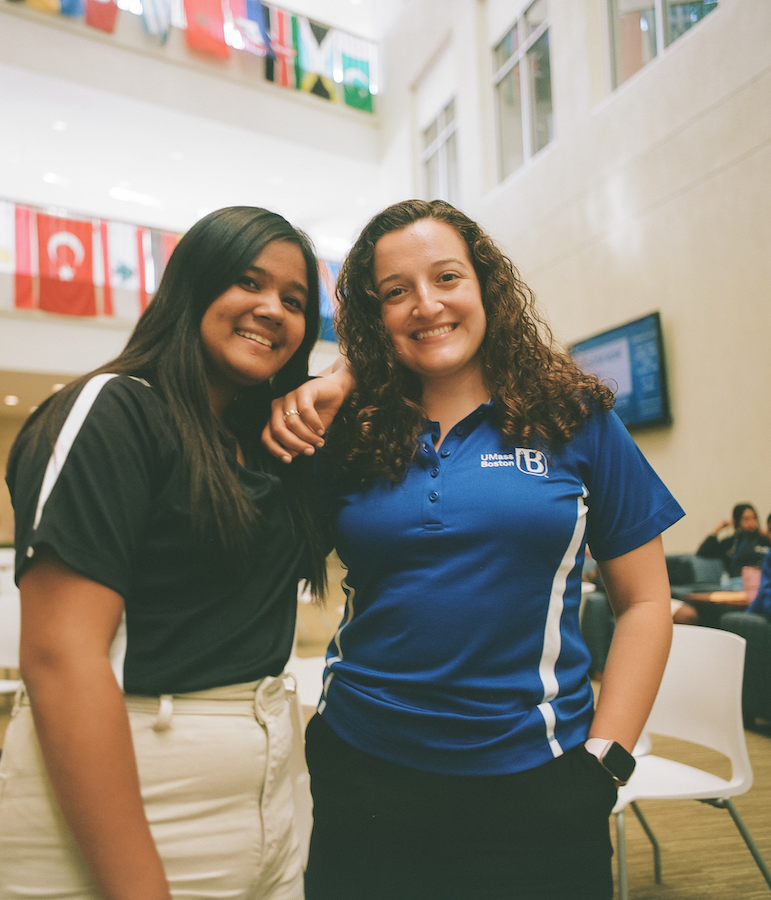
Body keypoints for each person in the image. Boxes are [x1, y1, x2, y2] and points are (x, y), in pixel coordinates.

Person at [263, 199, 684, 900]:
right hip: (366, 777)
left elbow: (644, 601)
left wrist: (605, 762)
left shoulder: (576, 419)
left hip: (540, 790)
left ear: (485, 286)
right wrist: (338, 379)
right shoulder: (347, 431)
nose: (426, 305)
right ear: (375, 317)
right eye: (395, 292)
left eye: (447, 278)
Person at [0, 206, 329, 900]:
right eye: (248, 282)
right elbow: (62, 661)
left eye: (295, 299)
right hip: (133, 805)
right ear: (192, 287)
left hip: (271, 805)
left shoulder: (270, 446)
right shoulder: (113, 410)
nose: (272, 309)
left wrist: (334, 382)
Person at [697, 503, 771, 584]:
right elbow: (703, 551)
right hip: (738, 582)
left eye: (754, 518)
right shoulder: (730, 542)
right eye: (746, 519)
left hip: (764, 581)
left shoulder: (764, 539)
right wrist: (719, 528)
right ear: (737, 521)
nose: (751, 523)